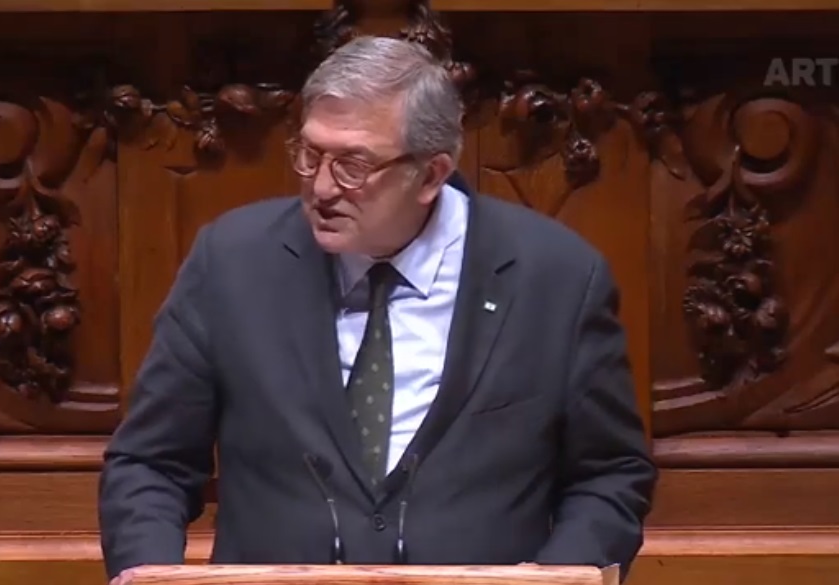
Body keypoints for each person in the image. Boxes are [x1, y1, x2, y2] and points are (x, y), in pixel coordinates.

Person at [98, 35, 657, 584]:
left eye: (353, 165)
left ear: (431, 174)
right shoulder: (232, 262)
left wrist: (556, 578)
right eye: (310, 155)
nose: (322, 188)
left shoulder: (554, 277)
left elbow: (608, 474)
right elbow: (152, 464)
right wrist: (148, 574)